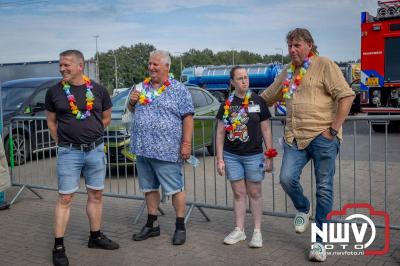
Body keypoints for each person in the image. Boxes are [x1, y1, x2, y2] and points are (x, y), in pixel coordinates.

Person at [260, 28, 355, 262]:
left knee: (324, 188)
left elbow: (346, 95)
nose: (292, 50)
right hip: (294, 138)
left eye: (297, 45)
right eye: (290, 46)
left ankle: (319, 243)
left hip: (323, 137)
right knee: (286, 178)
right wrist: (240, 102)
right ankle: (303, 207)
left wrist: (333, 129)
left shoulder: (324, 64)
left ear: (309, 45)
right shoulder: (287, 72)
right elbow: (267, 97)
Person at [45, 50, 119, 266]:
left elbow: (105, 117)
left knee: (96, 195)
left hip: (95, 150)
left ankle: (95, 237)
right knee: (65, 198)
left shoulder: (98, 90)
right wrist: (62, 141)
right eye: (60, 65)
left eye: (66, 65)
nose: (62, 68)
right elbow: (51, 121)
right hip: (69, 152)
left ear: (80, 66)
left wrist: (92, 133)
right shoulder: (54, 92)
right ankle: (58, 247)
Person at [128, 50, 194, 245]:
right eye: (150, 63)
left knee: (175, 189)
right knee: (148, 188)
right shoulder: (142, 87)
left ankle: (180, 227)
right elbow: (134, 110)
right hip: (142, 148)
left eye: (156, 64)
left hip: (166, 150)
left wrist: (186, 144)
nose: (151, 67)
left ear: (167, 66)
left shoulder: (179, 89)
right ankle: (151, 225)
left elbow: (188, 118)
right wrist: (132, 103)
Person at [216, 66, 275, 248]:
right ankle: (239, 230)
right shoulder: (226, 105)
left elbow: (265, 129)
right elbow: (219, 133)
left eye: (246, 77)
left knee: (255, 193)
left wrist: (270, 155)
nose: (244, 81)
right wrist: (220, 159)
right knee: (239, 193)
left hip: (254, 155)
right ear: (232, 82)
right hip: (232, 156)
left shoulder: (258, 101)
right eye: (240, 78)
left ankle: (257, 232)